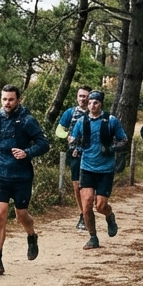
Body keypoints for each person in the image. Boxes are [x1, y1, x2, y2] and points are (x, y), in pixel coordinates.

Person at [0, 85, 49, 274]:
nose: (7, 103)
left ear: (18, 99)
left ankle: (31, 236)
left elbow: (44, 144)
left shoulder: (27, 121)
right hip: (0, 174)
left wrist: (27, 152)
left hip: (22, 176)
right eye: (4, 99)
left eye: (10, 99)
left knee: (21, 215)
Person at [69, 91, 127, 249]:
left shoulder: (111, 121)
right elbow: (74, 140)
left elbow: (124, 140)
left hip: (105, 169)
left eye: (96, 102)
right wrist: (76, 147)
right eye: (90, 103)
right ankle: (93, 237)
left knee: (100, 206)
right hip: (87, 167)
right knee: (87, 204)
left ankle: (110, 216)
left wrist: (112, 148)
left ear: (101, 103)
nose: (92, 105)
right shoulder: (81, 122)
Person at [57, 86, 92, 230]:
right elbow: (59, 130)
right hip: (75, 153)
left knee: (89, 186)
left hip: (92, 154)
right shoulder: (70, 113)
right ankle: (82, 214)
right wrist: (68, 136)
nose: (83, 99)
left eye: (86, 96)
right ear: (77, 97)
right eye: (81, 96)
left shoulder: (95, 113)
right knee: (77, 185)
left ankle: (88, 211)